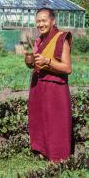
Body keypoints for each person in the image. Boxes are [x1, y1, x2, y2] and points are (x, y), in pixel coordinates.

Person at [28, 8, 72, 162]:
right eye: (38, 21)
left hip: (55, 87)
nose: (41, 24)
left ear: (52, 21)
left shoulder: (61, 38)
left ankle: (58, 155)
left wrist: (47, 61)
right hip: (39, 85)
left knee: (56, 121)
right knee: (39, 118)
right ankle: (42, 150)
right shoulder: (39, 40)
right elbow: (38, 63)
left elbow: (67, 68)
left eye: (44, 20)